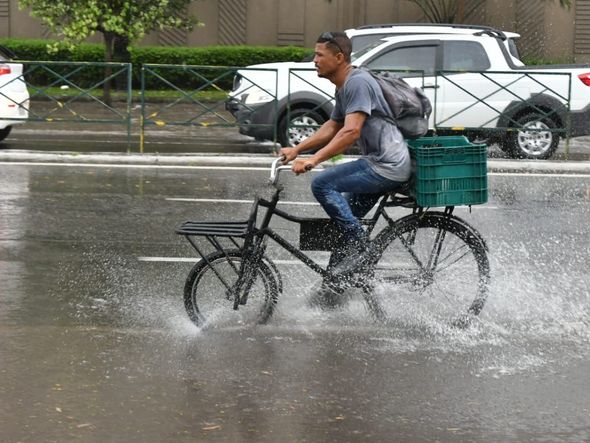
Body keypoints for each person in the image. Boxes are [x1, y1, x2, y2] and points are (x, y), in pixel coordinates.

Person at [280, 31, 412, 303]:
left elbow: (351, 132)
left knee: (322, 183)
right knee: (343, 223)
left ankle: (363, 250)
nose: (314, 60)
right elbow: (333, 125)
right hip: (378, 162)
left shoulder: (357, 83)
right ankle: (333, 290)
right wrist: (298, 149)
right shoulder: (344, 85)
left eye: (319, 55)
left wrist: (314, 160)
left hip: (387, 165)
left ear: (339, 58)